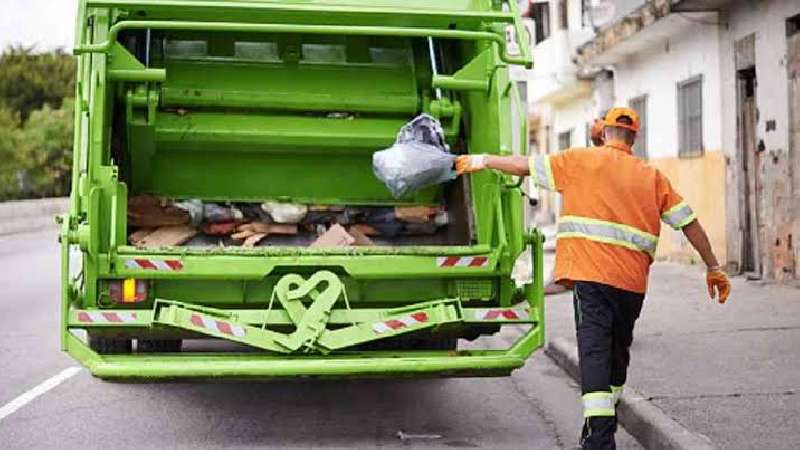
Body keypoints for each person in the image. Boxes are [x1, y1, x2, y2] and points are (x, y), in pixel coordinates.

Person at [455, 107, 731, 450]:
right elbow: (689, 222)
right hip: (631, 285)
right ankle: (600, 426)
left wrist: (483, 160)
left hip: (591, 278)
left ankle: (600, 440)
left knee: (595, 354)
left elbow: (523, 165)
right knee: (617, 353)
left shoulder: (579, 160)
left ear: (602, 131)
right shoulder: (652, 176)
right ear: (634, 137)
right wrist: (713, 266)